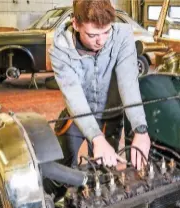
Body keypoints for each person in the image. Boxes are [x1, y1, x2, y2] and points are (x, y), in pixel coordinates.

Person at [49, 0, 150, 170]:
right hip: (76, 115)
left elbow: (128, 83)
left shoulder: (122, 37)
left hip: (110, 117)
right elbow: (74, 96)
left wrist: (140, 129)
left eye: (106, 32)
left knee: (103, 172)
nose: (101, 41)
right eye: (92, 35)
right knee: (62, 170)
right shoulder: (61, 49)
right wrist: (96, 138)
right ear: (75, 24)